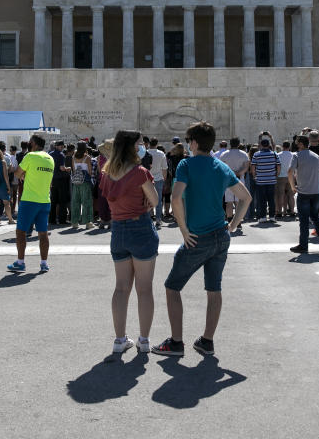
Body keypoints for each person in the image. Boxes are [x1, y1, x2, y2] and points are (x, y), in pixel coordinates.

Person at [152, 122, 251, 358]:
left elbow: (175, 198)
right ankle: (207, 340)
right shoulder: (221, 166)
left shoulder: (186, 164)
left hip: (198, 237)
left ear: (194, 143)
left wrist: (184, 230)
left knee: (172, 287)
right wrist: (234, 225)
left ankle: (176, 343)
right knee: (213, 289)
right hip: (221, 235)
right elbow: (245, 198)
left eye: (188, 141)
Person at [99, 130, 161, 354]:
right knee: (144, 289)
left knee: (121, 288)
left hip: (118, 229)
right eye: (140, 143)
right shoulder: (140, 172)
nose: (142, 146)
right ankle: (144, 340)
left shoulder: (107, 174)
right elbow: (154, 200)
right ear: (132, 147)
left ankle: (119, 339)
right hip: (140, 227)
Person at [9, 135, 55, 273]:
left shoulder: (30, 156)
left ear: (33, 144)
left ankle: (20, 262)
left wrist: (23, 175)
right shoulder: (50, 158)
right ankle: (44, 263)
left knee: (21, 231)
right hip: (45, 200)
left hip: (29, 200)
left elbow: (17, 174)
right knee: (43, 233)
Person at [287, 135, 319, 253]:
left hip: (303, 191)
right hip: (315, 191)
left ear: (300, 144)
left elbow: (290, 171)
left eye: (296, 142)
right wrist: (316, 185)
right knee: (315, 217)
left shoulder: (297, 156)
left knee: (304, 220)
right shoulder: (316, 156)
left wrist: (292, 186)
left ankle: (303, 245)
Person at [218, 138, 249, 226]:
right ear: (238, 144)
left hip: (228, 178)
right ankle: (238, 221)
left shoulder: (224, 154)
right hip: (239, 178)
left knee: (229, 202)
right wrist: (239, 173)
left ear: (230, 144)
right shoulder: (243, 154)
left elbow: (221, 167)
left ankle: (229, 220)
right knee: (238, 201)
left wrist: (231, 173)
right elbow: (246, 167)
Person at [250, 138, 280, 223]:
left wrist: (255, 176)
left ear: (262, 145)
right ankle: (272, 216)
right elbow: (278, 165)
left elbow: (253, 166)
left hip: (260, 180)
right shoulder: (274, 154)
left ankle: (263, 216)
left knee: (261, 200)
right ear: (268, 145)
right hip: (271, 180)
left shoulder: (256, 154)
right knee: (271, 199)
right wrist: (276, 175)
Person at [70, 141, 94, 228]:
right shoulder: (87, 157)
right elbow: (90, 171)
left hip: (76, 181)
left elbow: (73, 169)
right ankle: (88, 223)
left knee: (75, 201)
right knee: (86, 201)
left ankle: (74, 222)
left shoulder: (73, 157)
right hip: (85, 181)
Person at [276, 141, 295, 219]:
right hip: (291, 176)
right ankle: (292, 211)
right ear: (289, 147)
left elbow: (277, 166)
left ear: (282, 146)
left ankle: (280, 212)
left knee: (280, 195)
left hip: (281, 176)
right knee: (291, 195)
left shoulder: (278, 155)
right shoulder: (293, 155)